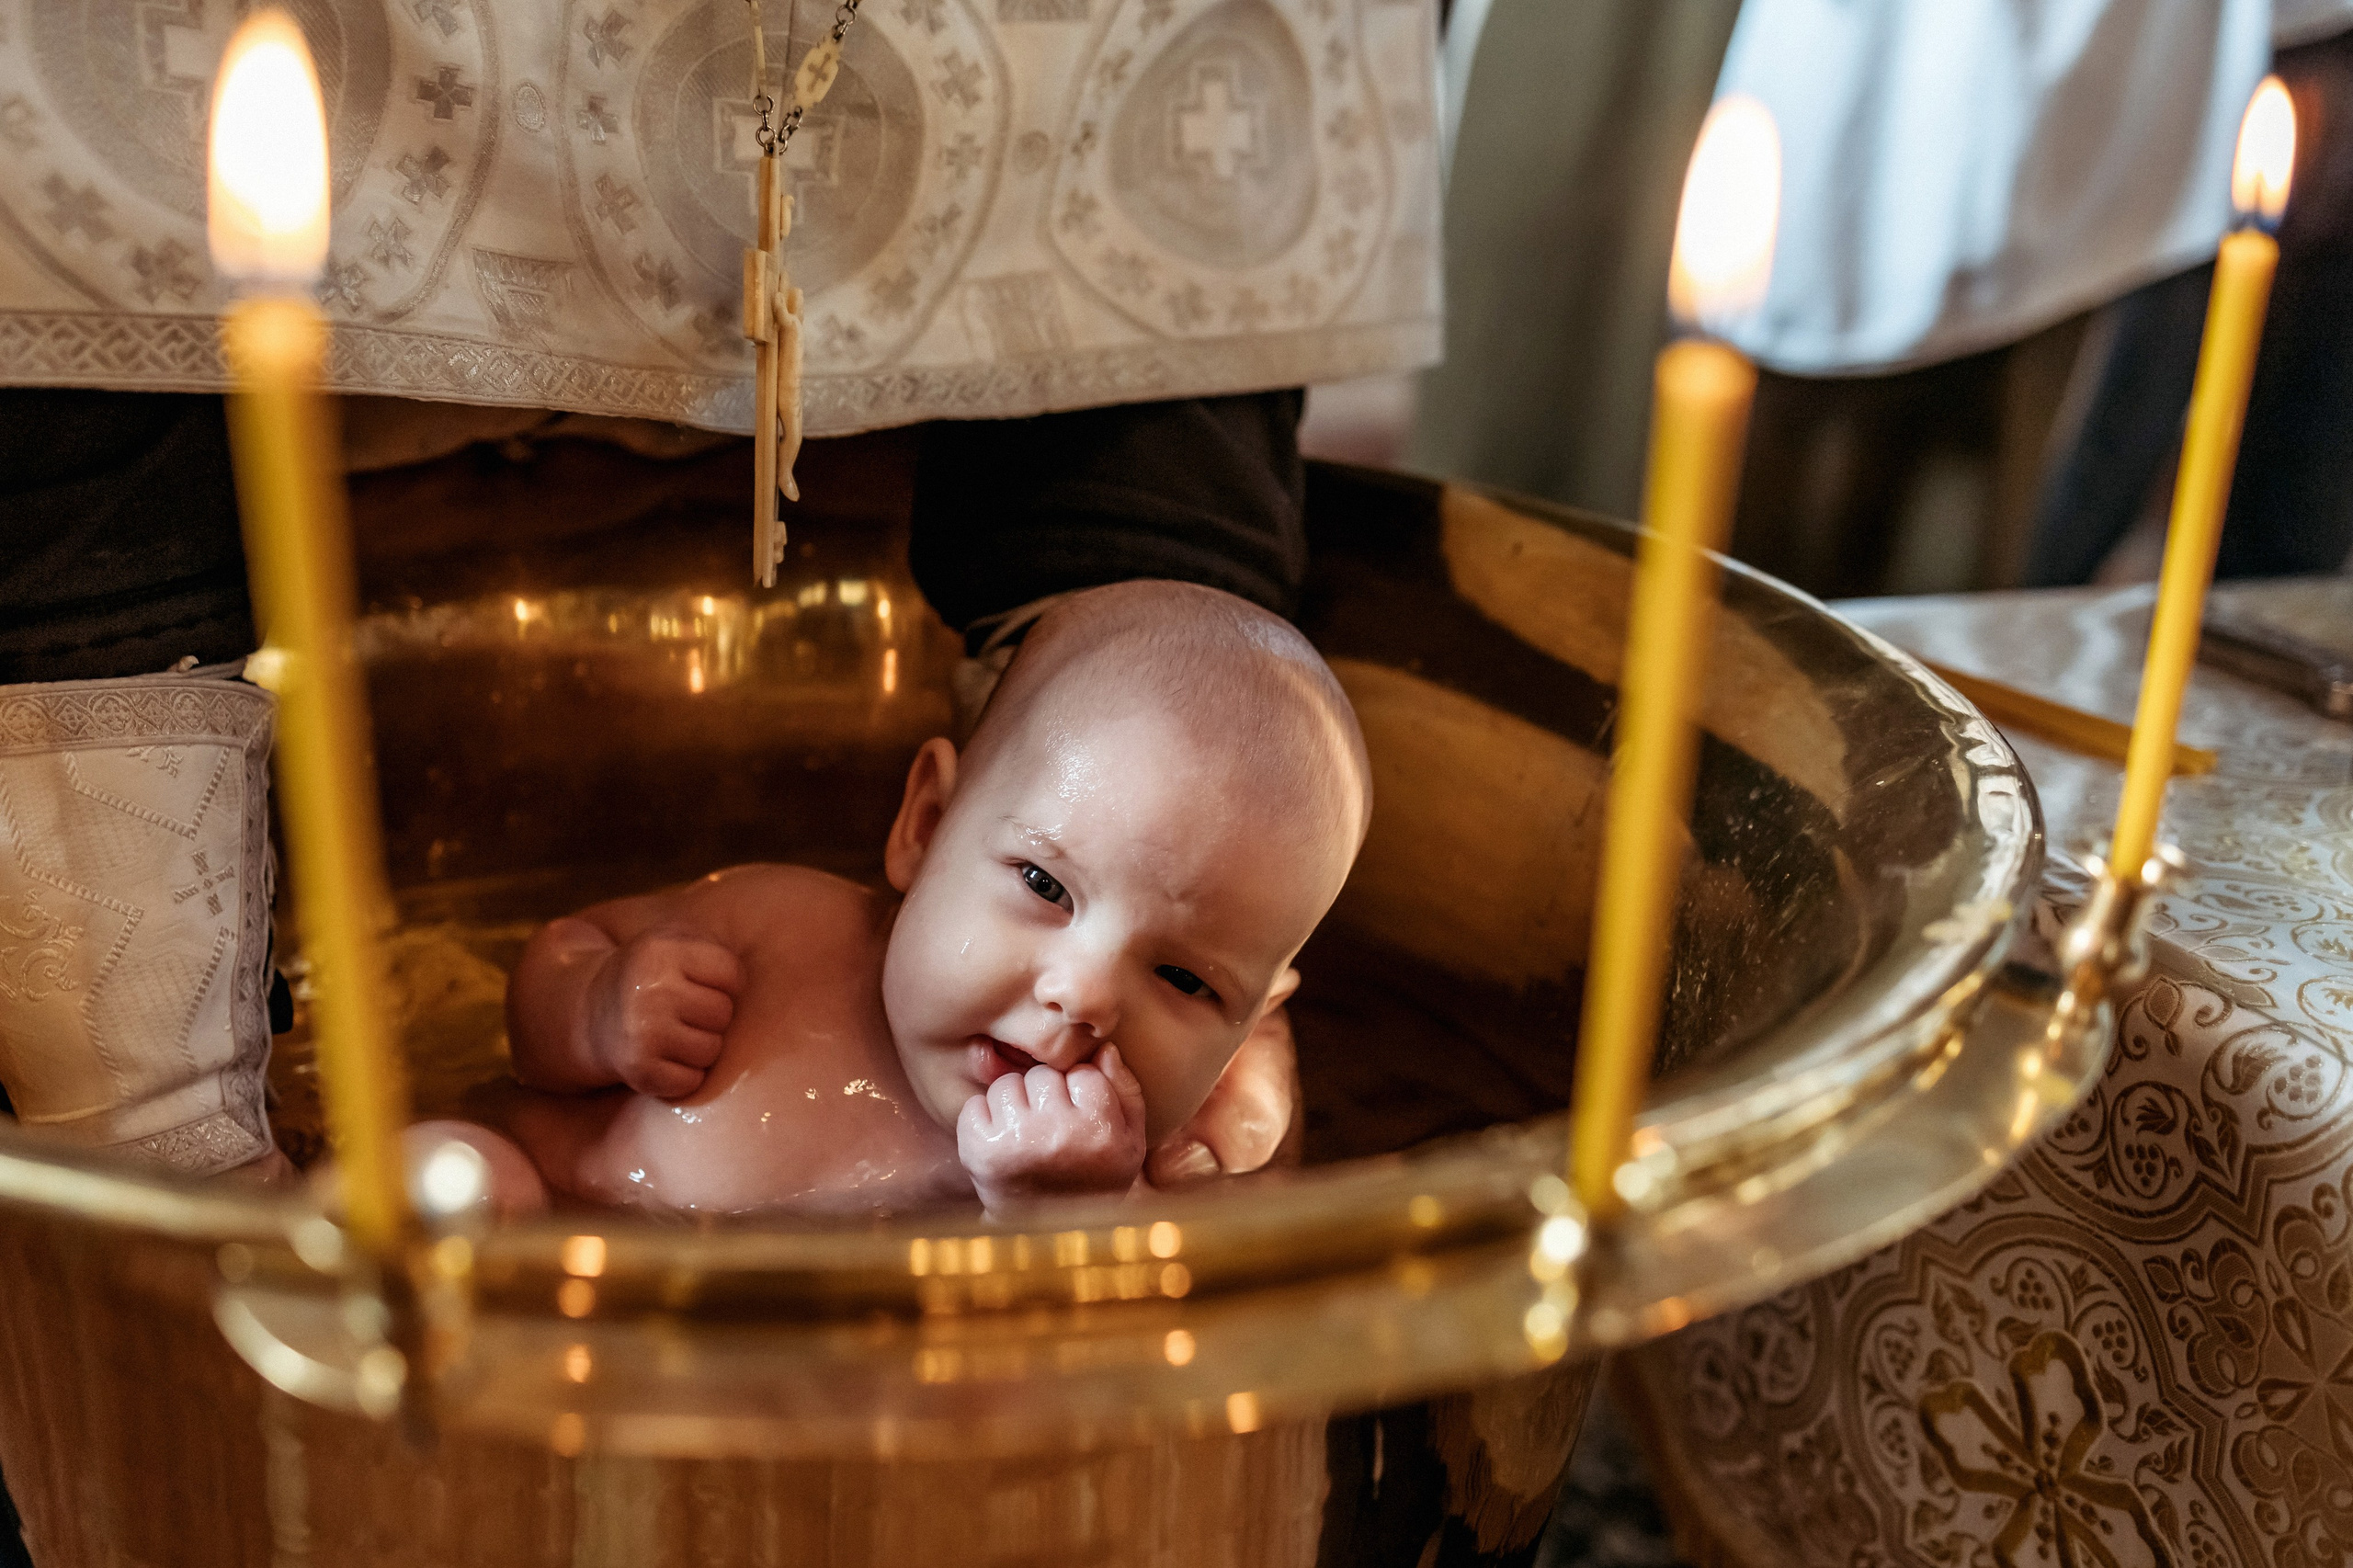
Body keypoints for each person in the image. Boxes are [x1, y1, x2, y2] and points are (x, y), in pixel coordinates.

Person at [442, 581, 1369, 1218]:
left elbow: (1076, 1365)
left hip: (780, 1398)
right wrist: (596, 1009)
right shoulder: (775, 931)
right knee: (454, 1175)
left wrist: (1057, 1220)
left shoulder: (1112, 1186)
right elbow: (552, 973)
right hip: (544, 1232)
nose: (1084, 995)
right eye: (1044, 885)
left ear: (1250, 1026)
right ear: (924, 825)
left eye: (1185, 980)